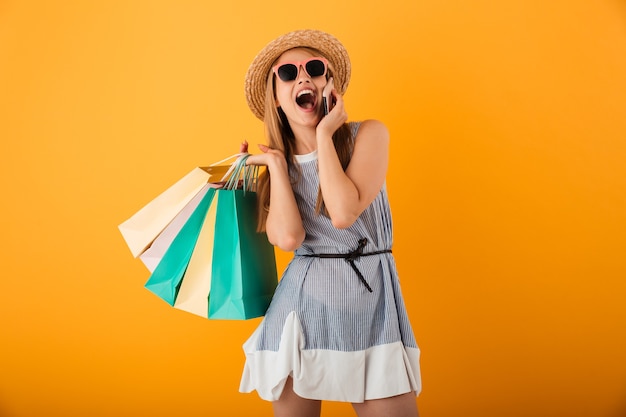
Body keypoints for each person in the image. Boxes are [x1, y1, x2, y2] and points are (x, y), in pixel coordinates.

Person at [238, 29, 422, 417]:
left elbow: (343, 213)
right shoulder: (275, 166)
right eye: (288, 72)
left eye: (314, 69)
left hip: (371, 305)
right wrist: (274, 166)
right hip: (299, 311)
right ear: (275, 95)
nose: (303, 77)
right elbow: (289, 238)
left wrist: (324, 133)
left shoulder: (368, 135)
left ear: (329, 85)